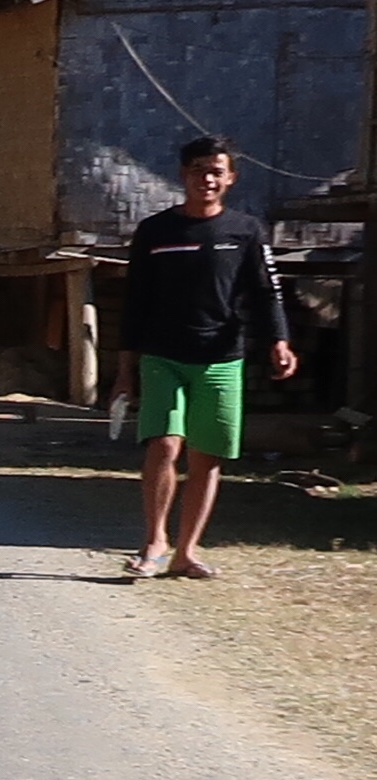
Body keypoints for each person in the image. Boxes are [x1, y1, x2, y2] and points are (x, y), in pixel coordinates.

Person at [115, 135, 295, 581]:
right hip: (162, 355)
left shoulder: (246, 231)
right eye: (199, 170)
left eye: (216, 171)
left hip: (221, 357)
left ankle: (187, 552)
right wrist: (124, 372)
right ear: (183, 175)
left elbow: (265, 292)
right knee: (164, 443)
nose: (207, 179)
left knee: (206, 456)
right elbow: (134, 303)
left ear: (230, 178)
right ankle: (155, 541)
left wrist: (279, 340)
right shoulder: (156, 232)